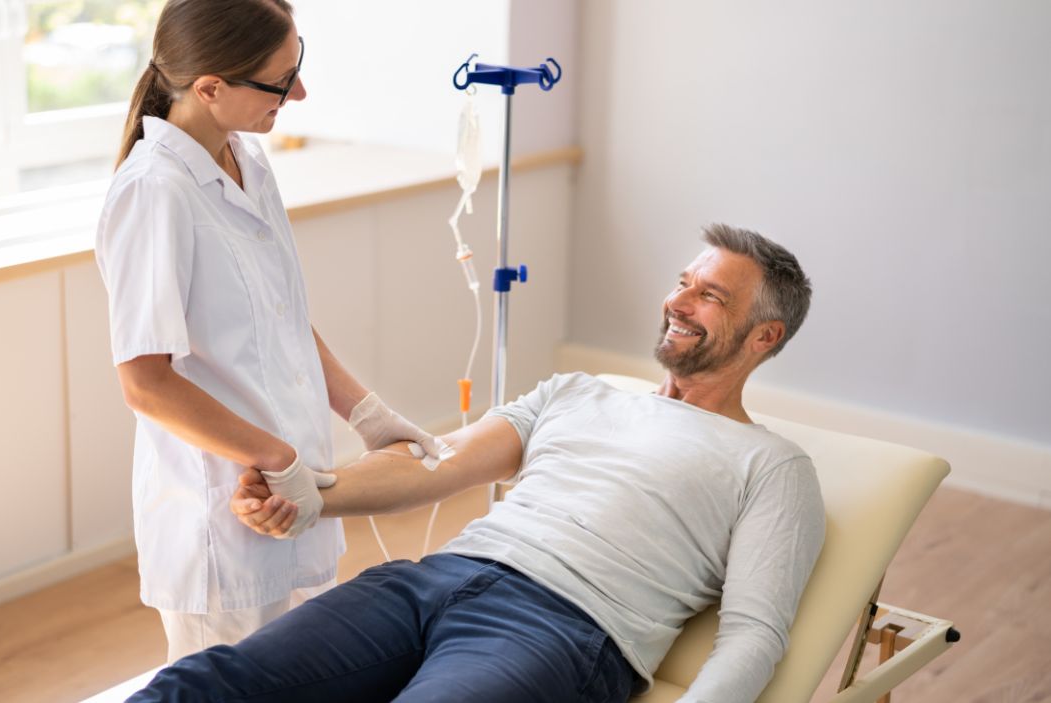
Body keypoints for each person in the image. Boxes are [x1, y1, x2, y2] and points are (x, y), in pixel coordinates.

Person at [128, 224, 826, 703]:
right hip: (429, 583)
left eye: (711, 296)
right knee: (204, 683)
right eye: (683, 282)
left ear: (764, 335)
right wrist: (311, 491)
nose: (678, 302)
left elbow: (755, 632)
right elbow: (439, 463)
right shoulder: (577, 391)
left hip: (563, 628)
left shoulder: (772, 464)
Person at [94, 0, 448, 664]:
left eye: (298, 66)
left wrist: (366, 412)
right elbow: (145, 382)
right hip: (225, 520)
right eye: (281, 80)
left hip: (295, 496)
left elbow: (280, 315)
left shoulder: (250, 163)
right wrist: (275, 457)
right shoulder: (155, 191)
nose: (301, 92)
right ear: (210, 88)